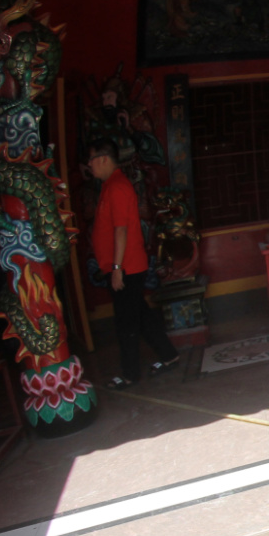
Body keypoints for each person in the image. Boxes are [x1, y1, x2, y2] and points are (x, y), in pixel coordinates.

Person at [88, 141, 178, 389]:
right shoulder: (110, 186)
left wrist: (117, 269)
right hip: (123, 266)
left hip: (125, 267)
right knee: (142, 316)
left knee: (126, 324)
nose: (89, 166)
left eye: (91, 160)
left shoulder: (117, 187)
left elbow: (121, 230)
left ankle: (129, 375)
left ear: (104, 159)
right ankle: (170, 355)